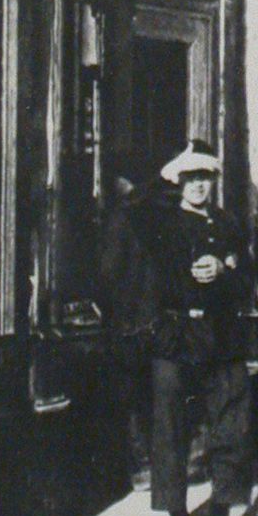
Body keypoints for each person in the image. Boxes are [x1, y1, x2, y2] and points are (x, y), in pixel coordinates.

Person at [143, 141, 253, 516]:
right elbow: (133, 209)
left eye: (205, 177)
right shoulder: (162, 223)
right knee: (171, 429)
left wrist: (226, 270)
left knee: (233, 426)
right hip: (176, 337)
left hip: (223, 338)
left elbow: (248, 277)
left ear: (214, 181)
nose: (198, 186)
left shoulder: (229, 224)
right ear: (179, 180)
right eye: (190, 178)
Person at [98, 169, 159, 490]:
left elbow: (108, 270)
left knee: (131, 395)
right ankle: (154, 462)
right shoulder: (155, 218)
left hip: (128, 320)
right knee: (151, 392)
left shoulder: (121, 220)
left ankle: (141, 466)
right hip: (154, 319)